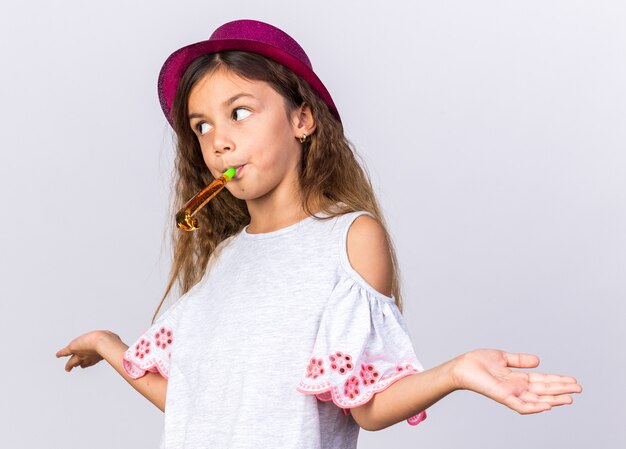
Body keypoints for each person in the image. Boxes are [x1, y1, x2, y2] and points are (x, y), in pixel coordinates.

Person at [55, 19, 582, 449]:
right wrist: (110, 344)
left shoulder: (351, 237)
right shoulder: (225, 259)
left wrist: (457, 372)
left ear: (302, 118)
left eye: (240, 113)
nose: (218, 141)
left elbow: (367, 407)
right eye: (202, 126)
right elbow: (198, 403)